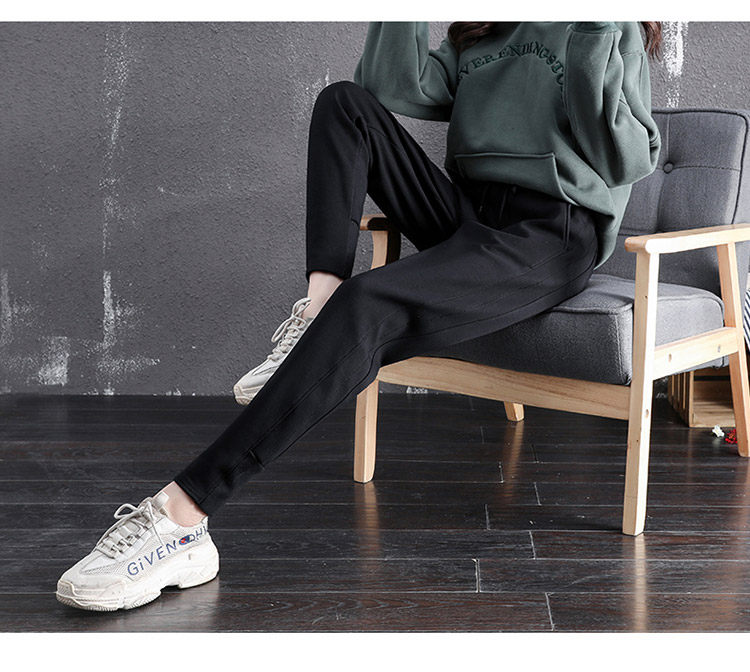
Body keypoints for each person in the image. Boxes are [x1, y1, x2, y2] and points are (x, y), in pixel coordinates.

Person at [56, 20, 663, 611]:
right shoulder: (486, 27)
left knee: (367, 302)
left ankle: (183, 518)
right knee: (344, 103)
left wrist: (594, 33)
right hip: (467, 214)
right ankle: (316, 311)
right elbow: (394, 86)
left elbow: (624, 159)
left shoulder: (607, 27)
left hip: (549, 233)